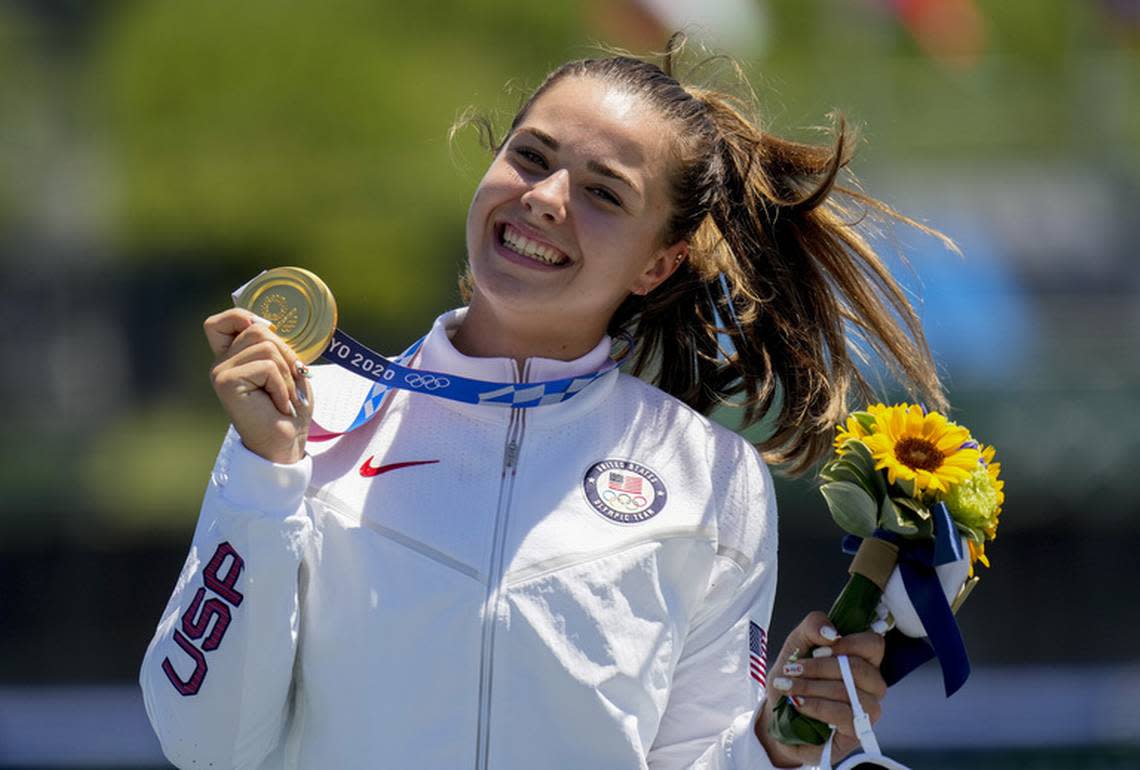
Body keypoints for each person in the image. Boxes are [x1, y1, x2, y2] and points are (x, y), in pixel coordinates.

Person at [140, 37, 949, 769]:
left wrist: (773, 745)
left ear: (656, 266)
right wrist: (264, 478)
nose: (546, 197)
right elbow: (204, 742)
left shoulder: (713, 478)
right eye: (531, 156)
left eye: (605, 193)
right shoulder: (305, 418)